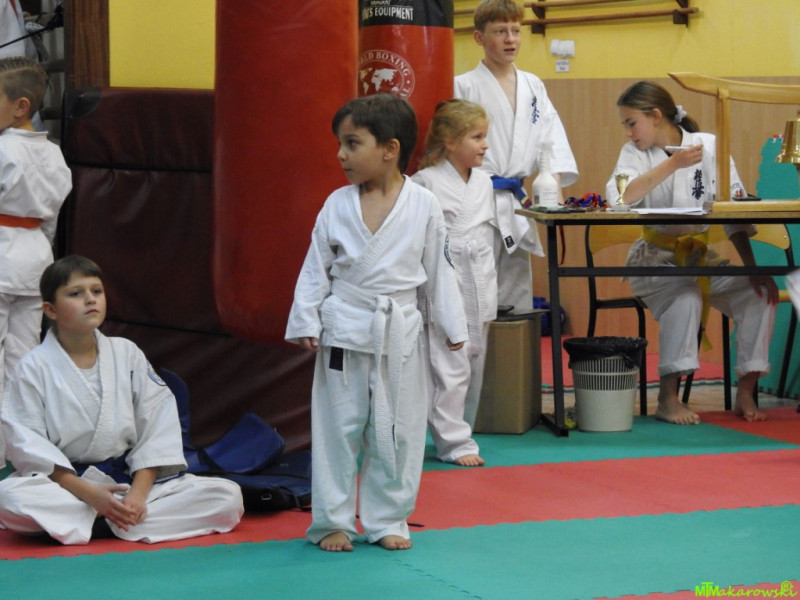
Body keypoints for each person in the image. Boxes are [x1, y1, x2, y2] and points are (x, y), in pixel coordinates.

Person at [285, 94, 468, 552]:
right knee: (338, 430)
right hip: (345, 331)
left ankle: (388, 519)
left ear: (389, 149)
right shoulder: (336, 204)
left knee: (400, 431)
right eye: (340, 144)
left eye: (352, 143)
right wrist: (306, 317)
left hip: (398, 332)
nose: (340, 155)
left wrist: (453, 326)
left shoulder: (424, 204)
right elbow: (316, 266)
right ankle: (332, 521)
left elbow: (440, 268)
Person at [0, 255, 244, 544]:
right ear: (50, 310)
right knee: (9, 498)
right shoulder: (33, 366)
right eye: (76, 293)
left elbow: (156, 426)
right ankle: (114, 521)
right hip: (68, 487)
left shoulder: (127, 353)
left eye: (97, 291)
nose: (90, 299)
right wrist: (89, 494)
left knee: (227, 496)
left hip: (127, 483)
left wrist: (137, 496)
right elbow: (28, 444)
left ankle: (98, 522)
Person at [606, 80, 778, 424]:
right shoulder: (633, 154)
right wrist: (673, 164)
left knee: (759, 294)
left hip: (700, 257)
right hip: (653, 260)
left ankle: (746, 391)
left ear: (656, 116)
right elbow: (620, 197)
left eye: (632, 123)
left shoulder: (708, 146)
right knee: (686, 297)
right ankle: (667, 398)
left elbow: (733, 211)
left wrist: (752, 268)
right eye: (625, 125)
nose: (628, 132)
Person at [454, 0, 578, 314]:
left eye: (515, 30)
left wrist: (554, 188)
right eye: (500, 32)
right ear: (479, 37)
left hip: (515, 202)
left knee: (517, 288)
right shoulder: (463, 86)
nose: (510, 39)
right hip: (475, 198)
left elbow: (551, 138)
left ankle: (515, 345)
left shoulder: (533, 85)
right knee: (474, 285)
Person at [411, 99, 496, 467]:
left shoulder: (484, 182)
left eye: (484, 136)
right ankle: (453, 441)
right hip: (445, 276)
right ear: (449, 141)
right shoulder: (424, 182)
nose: (485, 145)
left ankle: (462, 429)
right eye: (476, 137)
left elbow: (487, 235)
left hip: (480, 274)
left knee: (474, 359)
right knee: (449, 360)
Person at [0, 56, 72, 467]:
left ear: (21, 106)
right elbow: (50, 222)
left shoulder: (3, 149)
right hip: (36, 261)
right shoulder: (55, 155)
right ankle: (24, 455)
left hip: (2, 256)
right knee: (23, 361)